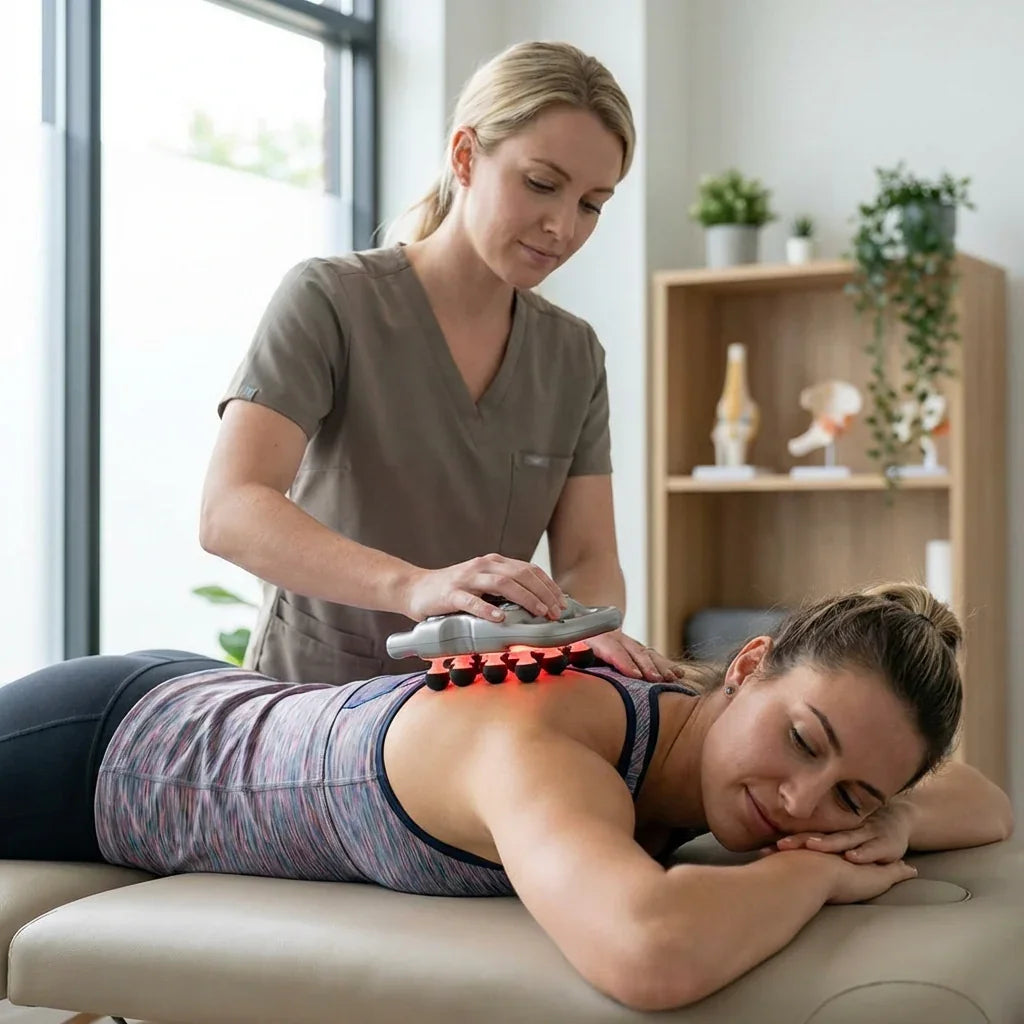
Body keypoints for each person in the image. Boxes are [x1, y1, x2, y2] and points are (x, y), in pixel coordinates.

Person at [0, 581, 1013, 1009]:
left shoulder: (684, 732)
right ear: (749, 665)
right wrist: (815, 877)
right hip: (102, 749)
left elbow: (987, 805)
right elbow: (647, 950)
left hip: (210, 702)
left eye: (849, 794)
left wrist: (891, 815)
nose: (800, 800)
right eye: (801, 740)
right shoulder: (544, 740)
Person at [199, 40, 680, 686]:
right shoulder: (330, 301)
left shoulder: (573, 356)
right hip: (311, 710)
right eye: (541, 184)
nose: (563, 228)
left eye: (592, 204)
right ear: (465, 157)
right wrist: (415, 586)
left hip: (471, 717)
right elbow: (230, 508)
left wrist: (589, 629)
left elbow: (588, 557)